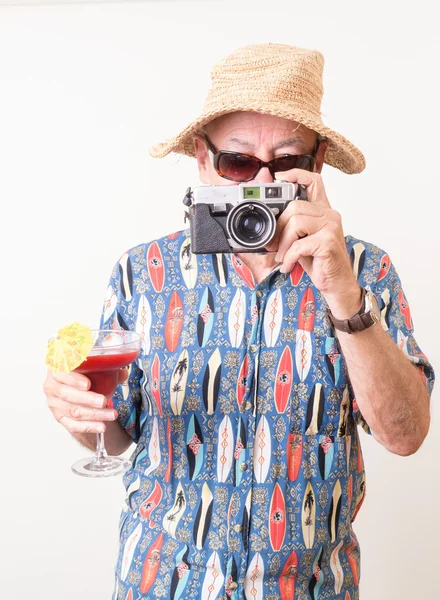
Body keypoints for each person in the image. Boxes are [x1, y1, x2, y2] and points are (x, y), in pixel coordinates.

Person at [44, 43, 434, 600]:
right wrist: (80, 417)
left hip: (311, 588)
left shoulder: (365, 271)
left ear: (317, 163)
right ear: (202, 161)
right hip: (163, 582)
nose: (261, 181)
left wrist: (345, 295)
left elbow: (406, 435)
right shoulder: (141, 273)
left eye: (287, 161)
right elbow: (115, 431)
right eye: (238, 162)